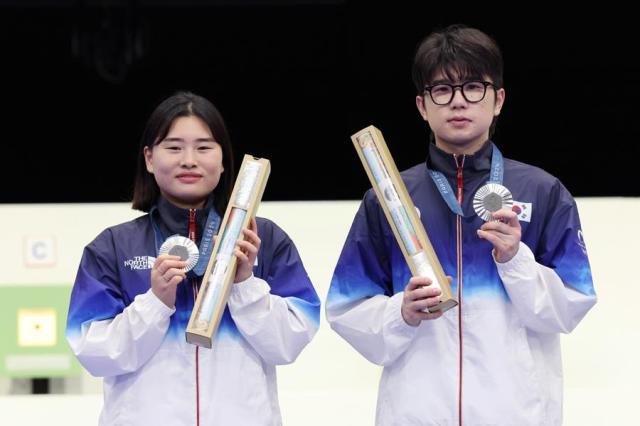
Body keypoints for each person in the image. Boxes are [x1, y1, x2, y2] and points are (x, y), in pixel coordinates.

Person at [326, 24, 596, 425]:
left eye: (473, 87)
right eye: (442, 90)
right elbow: (345, 309)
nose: (458, 102)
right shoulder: (389, 198)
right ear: (422, 105)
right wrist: (402, 312)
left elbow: (571, 307)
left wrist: (515, 261)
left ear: (498, 99)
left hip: (516, 411)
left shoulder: (543, 191)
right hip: (417, 413)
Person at [66, 91, 320, 425]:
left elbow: (289, 343)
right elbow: (94, 354)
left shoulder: (263, 238)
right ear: (149, 159)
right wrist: (156, 302)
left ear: (224, 158)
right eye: (173, 147)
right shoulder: (112, 247)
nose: (189, 160)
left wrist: (244, 284)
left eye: (203, 147)